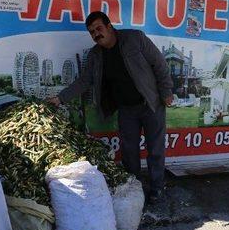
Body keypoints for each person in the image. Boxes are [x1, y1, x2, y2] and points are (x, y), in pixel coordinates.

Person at [48, 11, 174, 202]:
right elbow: (84, 81)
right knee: (129, 151)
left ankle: (157, 188)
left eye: (99, 28)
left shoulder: (135, 38)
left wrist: (166, 92)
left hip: (151, 103)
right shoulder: (95, 55)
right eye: (92, 32)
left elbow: (160, 64)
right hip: (126, 109)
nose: (96, 34)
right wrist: (60, 98)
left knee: (155, 149)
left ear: (109, 26)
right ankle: (135, 188)